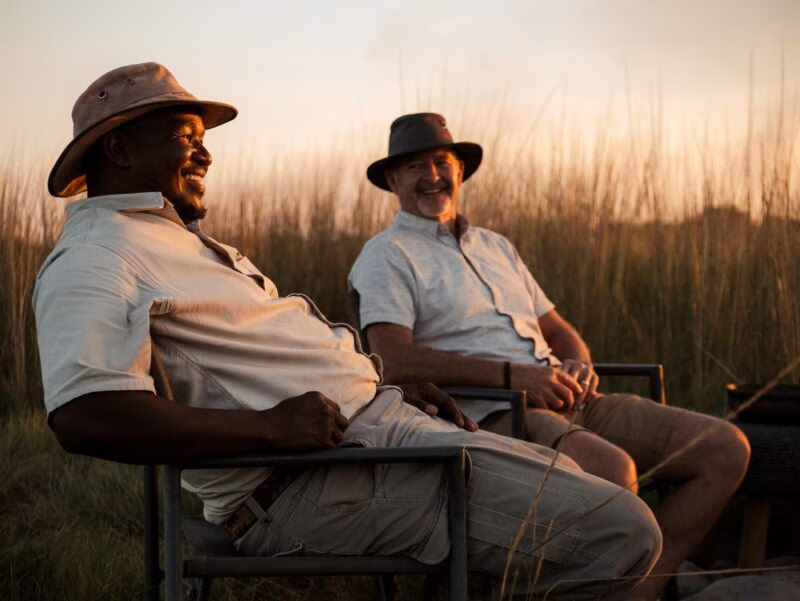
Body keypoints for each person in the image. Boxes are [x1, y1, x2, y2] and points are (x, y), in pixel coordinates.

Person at [34, 64, 661, 600]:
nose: (206, 153)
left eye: (203, 140)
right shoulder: (98, 255)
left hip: (376, 433)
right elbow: (85, 414)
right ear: (118, 149)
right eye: (185, 137)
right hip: (310, 483)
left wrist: (376, 386)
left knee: (603, 489)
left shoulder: (174, 242)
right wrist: (270, 429)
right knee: (624, 532)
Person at [348, 112, 751, 600]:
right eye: (415, 167)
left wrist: (578, 359)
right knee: (611, 471)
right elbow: (393, 359)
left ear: (459, 170)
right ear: (393, 180)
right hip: (489, 414)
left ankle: (640, 590)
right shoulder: (387, 254)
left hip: (564, 394)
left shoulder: (495, 245)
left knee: (724, 447)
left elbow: (558, 330)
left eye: (441, 161)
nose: (432, 176)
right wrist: (513, 377)